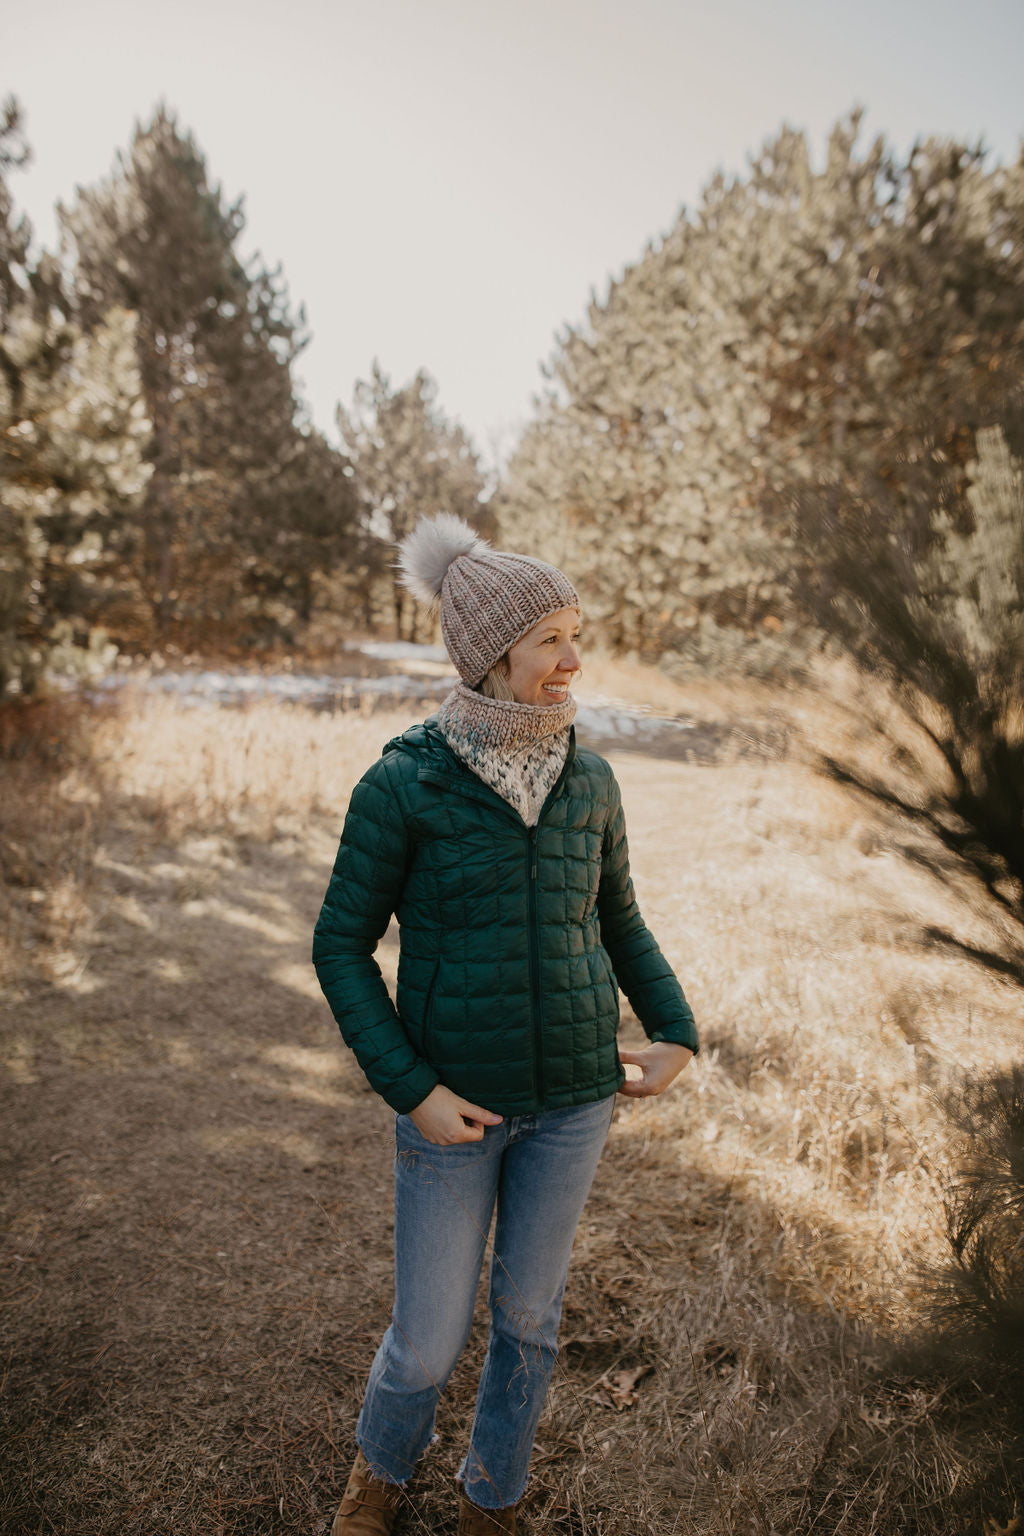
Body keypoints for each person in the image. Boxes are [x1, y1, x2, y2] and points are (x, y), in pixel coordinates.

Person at [313, 514, 698, 1535]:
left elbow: (617, 919)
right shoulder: (405, 784)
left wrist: (676, 1031)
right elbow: (340, 947)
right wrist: (414, 1092)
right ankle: (377, 1483)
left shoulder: (590, 778)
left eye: (577, 634)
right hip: (453, 1109)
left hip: (575, 1100)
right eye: (550, 641)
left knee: (529, 1321)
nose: (574, 660)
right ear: (491, 658)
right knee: (429, 1340)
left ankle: (494, 1494)